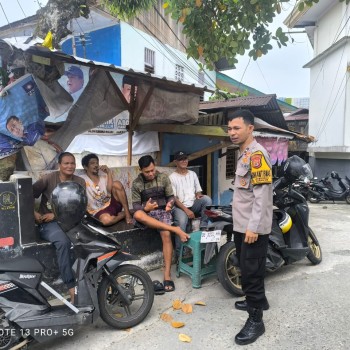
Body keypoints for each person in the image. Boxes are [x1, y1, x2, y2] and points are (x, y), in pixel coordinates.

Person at [227, 109, 273, 346]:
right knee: (245, 267)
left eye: (236, 128)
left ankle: (256, 320)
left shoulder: (257, 155)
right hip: (241, 224)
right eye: (230, 128)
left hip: (252, 228)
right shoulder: (243, 153)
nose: (232, 132)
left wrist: (253, 228)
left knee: (252, 272)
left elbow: (262, 195)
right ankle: (254, 300)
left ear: (250, 128)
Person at [131, 155, 190, 292]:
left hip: (163, 212)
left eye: (152, 170)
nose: (151, 174)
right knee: (138, 214)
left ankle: (167, 275)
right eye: (147, 172)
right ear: (141, 170)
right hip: (148, 215)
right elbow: (136, 207)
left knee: (166, 234)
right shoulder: (136, 183)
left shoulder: (163, 177)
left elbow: (171, 197)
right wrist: (146, 208)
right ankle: (175, 229)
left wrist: (169, 204)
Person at [33, 152, 86, 303]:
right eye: (66, 163)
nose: (70, 166)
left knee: (89, 240)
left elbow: (79, 206)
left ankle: (91, 281)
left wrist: (55, 215)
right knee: (63, 243)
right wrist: (34, 213)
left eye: (72, 163)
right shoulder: (49, 179)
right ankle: (72, 290)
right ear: (59, 165)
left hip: (73, 222)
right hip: (49, 225)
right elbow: (27, 193)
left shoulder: (80, 181)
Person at [169, 151, 212, 256]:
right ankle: (180, 255)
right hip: (179, 207)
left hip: (193, 204)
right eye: (181, 159)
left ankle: (203, 228)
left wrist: (198, 194)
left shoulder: (192, 174)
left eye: (185, 159)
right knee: (182, 222)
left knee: (207, 199)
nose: (184, 161)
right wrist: (186, 210)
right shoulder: (172, 177)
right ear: (175, 162)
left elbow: (198, 190)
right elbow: (174, 198)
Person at [80, 153, 132, 225]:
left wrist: (109, 172)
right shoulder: (82, 179)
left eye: (97, 163)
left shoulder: (103, 176)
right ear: (85, 167)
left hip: (111, 204)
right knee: (106, 221)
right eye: (92, 163)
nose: (96, 165)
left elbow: (109, 190)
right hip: (97, 211)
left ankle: (127, 214)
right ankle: (122, 215)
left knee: (116, 184)